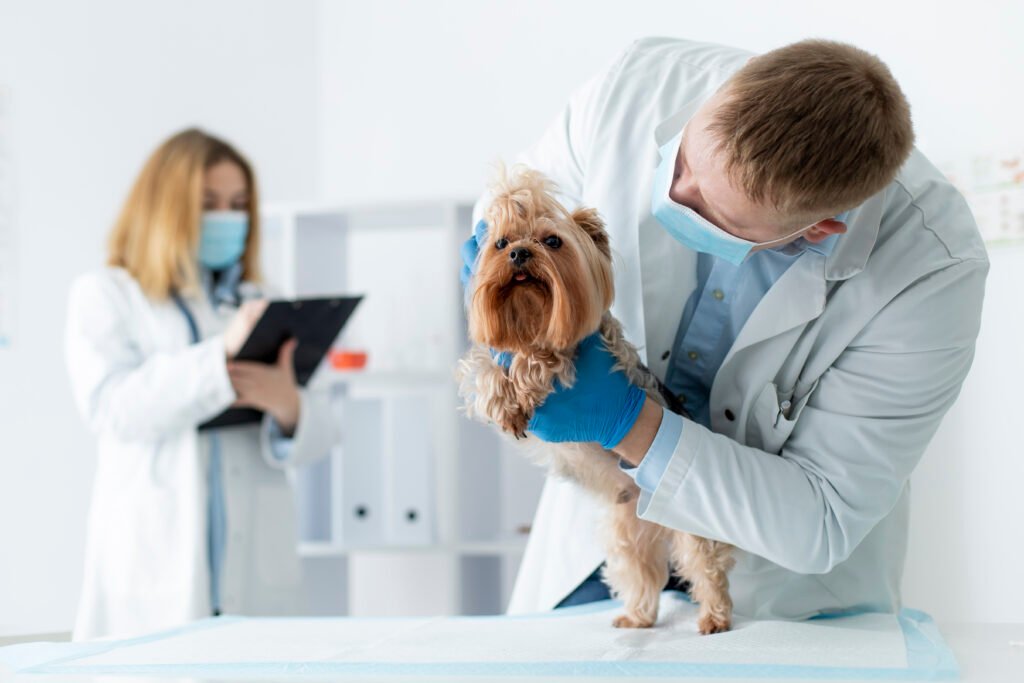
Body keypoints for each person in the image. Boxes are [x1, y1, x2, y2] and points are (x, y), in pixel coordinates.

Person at [462, 38, 988, 619]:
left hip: (775, 583)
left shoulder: (931, 269)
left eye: (706, 210)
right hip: (601, 551)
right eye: (684, 159)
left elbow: (822, 516)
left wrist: (631, 423)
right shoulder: (635, 86)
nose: (672, 192)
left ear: (817, 230)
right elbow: (505, 209)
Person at [65, 128, 338, 640]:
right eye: (208, 203)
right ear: (165, 206)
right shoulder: (107, 294)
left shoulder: (263, 297)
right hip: (154, 571)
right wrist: (218, 361)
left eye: (238, 205)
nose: (226, 219)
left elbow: (322, 433)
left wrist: (289, 409)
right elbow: (111, 407)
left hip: (255, 574)